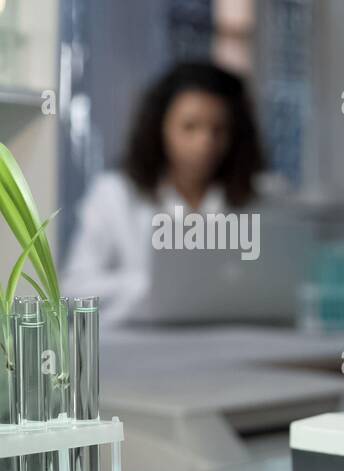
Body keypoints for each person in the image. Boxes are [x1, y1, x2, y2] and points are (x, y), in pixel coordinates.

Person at [63, 62, 267, 326]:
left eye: (219, 130)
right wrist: (156, 286)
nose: (205, 143)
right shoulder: (115, 194)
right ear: (160, 128)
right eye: (189, 127)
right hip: (139, 349)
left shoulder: (257, 199)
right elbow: (73, 290)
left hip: (233, 344)